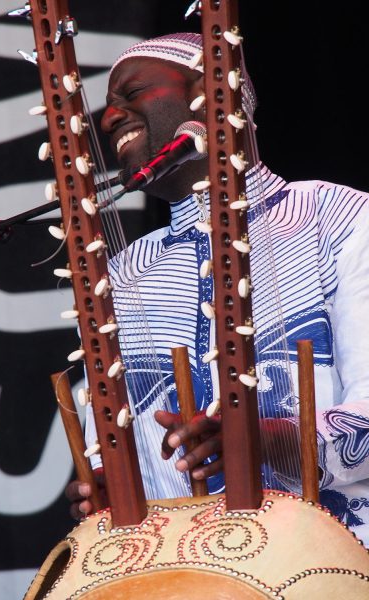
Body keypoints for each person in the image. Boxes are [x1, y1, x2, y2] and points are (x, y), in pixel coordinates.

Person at [66, 33, 369, 547]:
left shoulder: (338, 216)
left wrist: (267, 440)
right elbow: (128, 456)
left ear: (214, 94)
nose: (110, 118)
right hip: (183, 572)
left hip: (333, 563)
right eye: (107, 107)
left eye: (132, 93)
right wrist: (113, 493)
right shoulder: (120, 274)